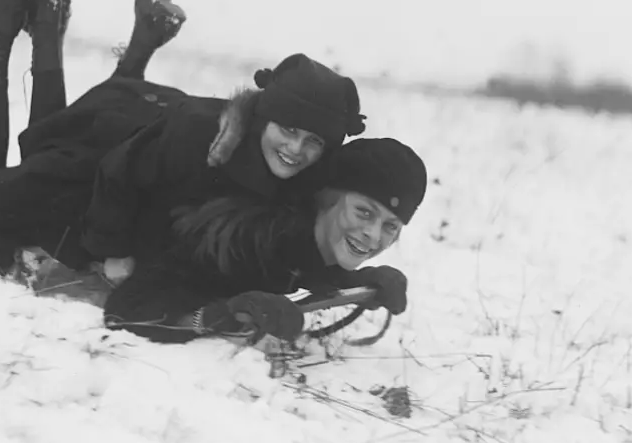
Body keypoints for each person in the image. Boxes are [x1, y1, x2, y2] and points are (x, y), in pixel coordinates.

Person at [0, 0, 367, 280]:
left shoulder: (281, 163)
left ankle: (55, 17)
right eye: (289, 130)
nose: (297, 148)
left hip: (128, 122)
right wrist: (112, 251)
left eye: (313, 142)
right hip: (110, 157)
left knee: (46, 145)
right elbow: (128, 172)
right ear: (266, 118)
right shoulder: (213, 142)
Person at [102, 137, 428, 344]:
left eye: (391, 226)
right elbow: (126, 308)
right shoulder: (250, 238)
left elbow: (306, 262)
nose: (373, 235)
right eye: (364, 212)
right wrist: (220, 315)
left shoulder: (301, 238)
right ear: (329, 198)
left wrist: (360, 282)